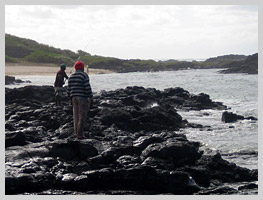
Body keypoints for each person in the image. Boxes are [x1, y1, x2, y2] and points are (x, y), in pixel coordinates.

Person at [67, 61, 93, 139]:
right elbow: (87, 88)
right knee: (82, 116)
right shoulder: (84, 75)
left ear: (75, 68)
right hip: (82, 98)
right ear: (82, 68)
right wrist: (91, 98)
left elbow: (68, 89)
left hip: (73, 97)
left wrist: (70, 98)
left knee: (76, 116)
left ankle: (76, 133)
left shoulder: (71, 76)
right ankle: (80, 134)